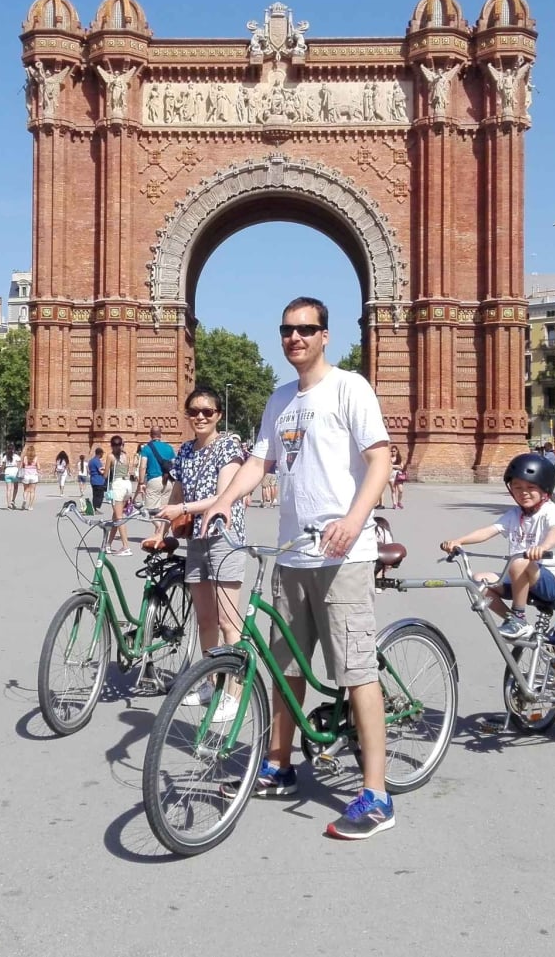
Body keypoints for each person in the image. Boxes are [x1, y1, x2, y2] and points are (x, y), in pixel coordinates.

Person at [203, 295, 396, 841]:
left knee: (357, 669)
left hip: (344, 555)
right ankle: (279, 763)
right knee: (285, 666)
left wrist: (355, 520)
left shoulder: (349, 387)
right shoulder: (281, 398)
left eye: (306, 329)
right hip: (292, 553)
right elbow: (261, 461)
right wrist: (224, 501)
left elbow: (380, 458)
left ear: (325, 335)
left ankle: (377, 794)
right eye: (287, 329)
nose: (296, 338)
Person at [155, 387, 249, 721]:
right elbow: (176, 492)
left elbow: (223, 496)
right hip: (197, 538)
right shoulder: (184, 451)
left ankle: (235, 693)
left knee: (228, 621)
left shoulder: (228, 447)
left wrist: (180, 507)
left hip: (224, 536)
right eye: (194, 411)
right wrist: (159, 531)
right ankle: (212, 682)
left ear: (218, 415)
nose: (200, 417)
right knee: (205, 620)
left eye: (207, 411)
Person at [438, 454, 555, 639]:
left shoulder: (551, 512)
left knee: (520, 561)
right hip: (518, 576)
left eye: (531, 487)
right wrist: (459, 541)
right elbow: (489, 531)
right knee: (477, 581)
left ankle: (518, 617)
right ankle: (513, 620)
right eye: (517, 487)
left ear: (545, 489)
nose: (523, 492)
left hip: (550, 580)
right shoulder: (515, 514)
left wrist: (543, 547)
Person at [104, 436, 135, 555]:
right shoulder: (126, 456)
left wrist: (102, 471)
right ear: (122, 444)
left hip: (118, 486)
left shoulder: (110, 456)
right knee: (116, 517)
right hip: (127, 485)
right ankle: (108, 544)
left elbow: (106, 475)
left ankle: (126, 546)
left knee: (119, 517)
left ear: (112, 445)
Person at [137, 426, 175, 517]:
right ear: (160, 435)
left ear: (150, 435)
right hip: (168, 481)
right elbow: (174, 464)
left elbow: (143, 466)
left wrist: (141, 482)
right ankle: (162, 530)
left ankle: (158, 530)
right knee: (164, 511)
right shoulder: (169, 448)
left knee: (150, 511)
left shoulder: (146, 448)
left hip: (154, 480)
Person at [21, 445, 41, 510]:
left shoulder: (25, 457)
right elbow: (39, 467)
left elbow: (22, 466)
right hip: (34, 476)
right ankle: (30, 506)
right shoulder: (36, 458)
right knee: (32, 491)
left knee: (25, 490)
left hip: (26, 475)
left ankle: (24, 500)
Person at [388, 445, 406, 509]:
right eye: (391, 451)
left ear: (397, 451)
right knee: (393, 490)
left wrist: (393, 466)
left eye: (394, 451)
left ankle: (399, 502)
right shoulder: (388, 458)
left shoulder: (399, 458)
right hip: (391, 475)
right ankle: (394, 504)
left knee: (400, 490)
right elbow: (387, 466)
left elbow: (401, 467)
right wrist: (396, 466)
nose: (393, 452)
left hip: (398, 475)